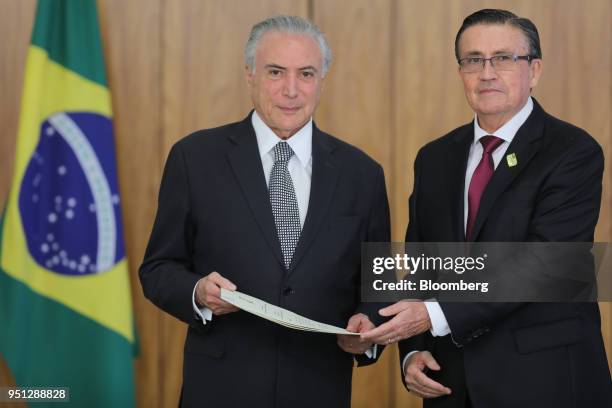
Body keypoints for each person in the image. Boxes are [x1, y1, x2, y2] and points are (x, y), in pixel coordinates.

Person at [361, 8, 612, 408]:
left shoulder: (571, 152)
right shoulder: (435, 158)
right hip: (451, 382)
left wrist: (434, 315)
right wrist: (413, 348)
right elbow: (422, 263)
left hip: (544, 381)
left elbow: (543, 265)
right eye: (473, 60)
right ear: (460, 71)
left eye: (504, 59)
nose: (487, 73)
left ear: (535, 70)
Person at [139, 15, 390, 408]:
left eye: (306, 73)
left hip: (319, 389)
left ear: (322, 80)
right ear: (250, 75)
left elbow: (378, 284)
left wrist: (368, 323)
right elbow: (157, 269)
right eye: (276, 72)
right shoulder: (195, 158)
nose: (291, 90)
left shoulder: (364, 174)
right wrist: (198, 293)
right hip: (221, 390)